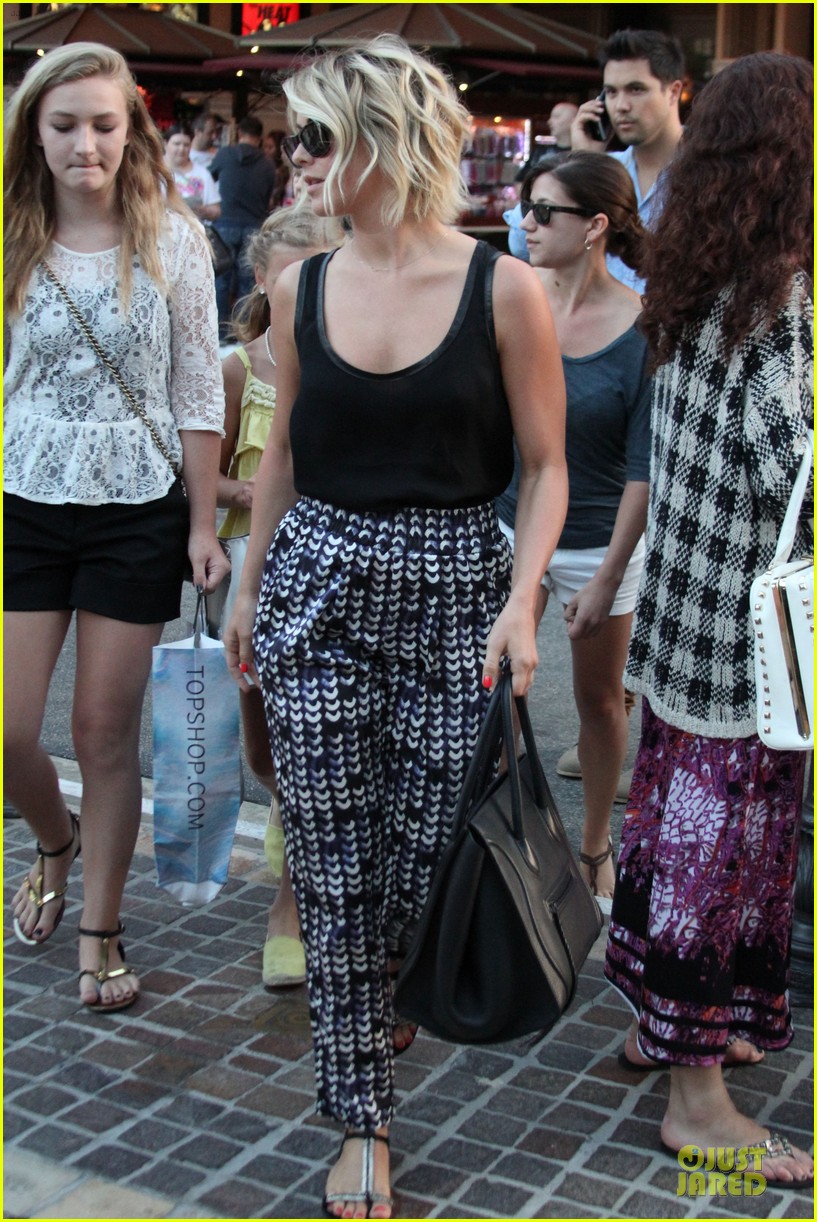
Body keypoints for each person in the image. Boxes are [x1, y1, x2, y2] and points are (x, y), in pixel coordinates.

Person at [224, 34, 568, 1218]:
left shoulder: (502, 288)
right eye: (294, 140)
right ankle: (361, 1118)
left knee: (421, 861)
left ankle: (387, 988)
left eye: (317, 138)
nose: (298, 160)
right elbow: (283, 453)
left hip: (456, 587)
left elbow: (546, 466)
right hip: (319, 584)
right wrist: (249, 586)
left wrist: (523, 599)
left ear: (385, 140)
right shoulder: (300, 286)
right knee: (329, 863)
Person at [604, 52, 813, 1187]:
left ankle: (667, 1025)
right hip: (750, 645)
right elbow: (795, 478)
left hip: (685, 621)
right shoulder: (775, 302)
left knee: (670, 828)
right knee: (718, 850)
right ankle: (698, 1103)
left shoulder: (691, 285)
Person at [4, 44, 228, 1012]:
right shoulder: (10, 229)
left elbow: (198, 389)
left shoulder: (172, 238)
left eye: (104, 124)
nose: (85, 144)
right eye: (64, 125)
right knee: (8, 729)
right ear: (33, 131)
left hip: (137, 505)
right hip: (22, 496)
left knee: (103, 730)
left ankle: (101, 925)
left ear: (131, 130)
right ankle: (53, 840)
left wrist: (202, 521)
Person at [497, 152, 649, 915]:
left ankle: (594, 844)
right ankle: (503, 842)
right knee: (492, 691)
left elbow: (643, 470)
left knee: (598, 699)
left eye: (542, 210)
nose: (524, 222)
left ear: (593, 226)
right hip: (508, 524)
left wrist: (608, 574)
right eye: (523, 205)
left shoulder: (643, 327)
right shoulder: (510, 297)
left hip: (598, 539)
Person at [218, 205, 343, 989]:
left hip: (329, 571)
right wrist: (253, 495)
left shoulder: (355, 348)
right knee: (263, 749)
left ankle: (290, 906)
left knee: (312, 750)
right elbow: (207, 472)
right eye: (297, 273)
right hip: (252, 566)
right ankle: (280, 807)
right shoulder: (238, 366)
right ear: (264, 280)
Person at [571, 28, 685, 293]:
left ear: (673, 92)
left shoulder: (711, 171)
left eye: (636, 89)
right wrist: (582, 162)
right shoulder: (602, 170)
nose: (621, 106)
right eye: (611, 92)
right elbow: (522, 241)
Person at [209, 114, 278, 339]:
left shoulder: (224, 155)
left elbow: (208, 180)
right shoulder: (267, 164)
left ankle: (220, 334)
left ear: (239, 133)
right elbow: (268, 198)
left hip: (224, 224)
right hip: (253, 226)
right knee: (248, 284)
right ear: (259, 137)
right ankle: (242, 334)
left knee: (220, 281)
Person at [504, 101, 579, 261]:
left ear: (574, 119)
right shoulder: (541, 152)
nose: (550, 121)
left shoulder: (585, 155)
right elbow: (520, 182)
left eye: (557, 116)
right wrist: (533, 204)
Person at [164, 125, 220, 221]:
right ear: (165, 144)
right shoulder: (153, 171)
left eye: (186, 145)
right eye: (177, 144)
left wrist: (202, 210)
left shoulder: (202, 173)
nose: (181, 149)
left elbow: (216, 210)